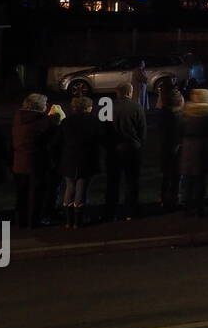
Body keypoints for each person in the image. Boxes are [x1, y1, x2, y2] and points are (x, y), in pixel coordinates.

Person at [103, 81, 147, 221]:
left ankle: (110, 212)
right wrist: (139, 143)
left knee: (112, 182)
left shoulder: (107, 107)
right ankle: (131, 211)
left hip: (113, 150)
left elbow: (102, 130)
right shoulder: (136, 107)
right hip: (131, 149)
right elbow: (142, 130)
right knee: (131, 181)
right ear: (129, 92)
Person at [11, 93, 55, 228]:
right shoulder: (41, 121)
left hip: (19, 162)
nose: (46, 106)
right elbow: (50, 138)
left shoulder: (19, 118)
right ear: (39, 106)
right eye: (45, 104)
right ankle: (34, 222)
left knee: (21, 194)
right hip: (36, 163)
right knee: (36, 195)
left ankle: (21, 221)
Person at [58, 95, 101, 227]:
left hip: (69, 158)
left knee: (70, 187)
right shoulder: (93, 121)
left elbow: (59, 140)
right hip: (86, 158)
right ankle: (78, 219)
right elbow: (99, 139)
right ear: (87, 107)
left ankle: (68, 220)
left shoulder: (66, 122)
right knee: (81, 187)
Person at [179, 87, 208, 217]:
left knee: (188, 180)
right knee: (200, 180)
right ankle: (199, 208)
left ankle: (187, 208)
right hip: (203, 149)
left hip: (188, 149)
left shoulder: (187, 112)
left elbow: (180, 130)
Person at [158, 88, 184, 210]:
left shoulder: (164, 113)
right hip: (176, 148)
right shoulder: (178, 115)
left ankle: (164, 199)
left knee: (167, 175)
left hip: (166, 147)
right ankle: (175, 199)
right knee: (176, 175)